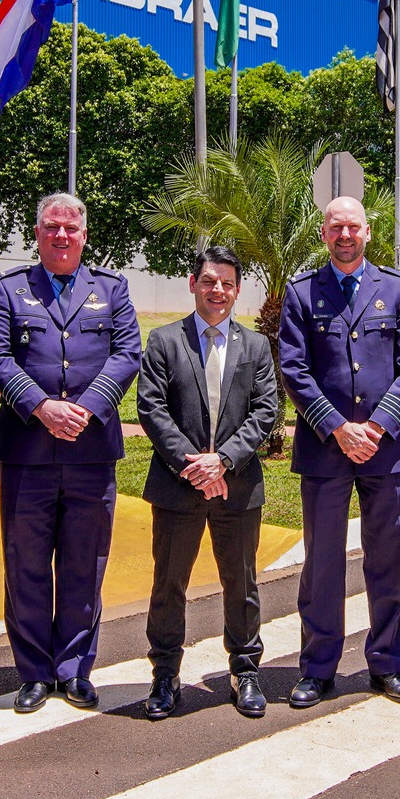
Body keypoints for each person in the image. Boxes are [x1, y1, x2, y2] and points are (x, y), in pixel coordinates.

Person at [0, 193, 143, 712]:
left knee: (84, 563)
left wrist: (90, 404)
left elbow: (127, 353)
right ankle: (33, 671)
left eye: (70, 229)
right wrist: (40, 406)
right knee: (25, 562)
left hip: (90, 450)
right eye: (51, 227)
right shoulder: (10, 288)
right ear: (37, 233)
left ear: (84, 234)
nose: (61, 236)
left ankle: (74, 668)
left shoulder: (112, 288)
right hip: (28, 449)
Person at [276, 196, 400, 708]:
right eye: (336, 227)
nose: (345, 235)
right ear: (324, 233)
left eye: (353, 227)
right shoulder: (302, 293)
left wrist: (379, 426)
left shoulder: (397, 289)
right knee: (322, 563)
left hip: (385, 452)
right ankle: (318, 668)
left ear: (368, 232)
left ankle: (387, 665)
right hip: (326, 449)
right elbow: (294, 369)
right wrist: (339, 428)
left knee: (388, 559)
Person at [134, 247, 281, 721]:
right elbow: (151, 409)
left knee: (241, 582)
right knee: (168, 582)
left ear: (238, 290)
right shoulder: (163, 341)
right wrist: (193, 466)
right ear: (193, 283)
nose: (217, 290)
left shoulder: (255, 346)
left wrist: (224, 462)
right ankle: (164, 674)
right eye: (208, 281)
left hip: (237, 487)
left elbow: (266, 412)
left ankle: (245, 670)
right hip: (179, 486)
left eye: (227, 283)